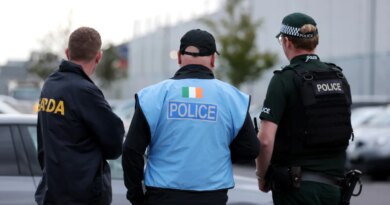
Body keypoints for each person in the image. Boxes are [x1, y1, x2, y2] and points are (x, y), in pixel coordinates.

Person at [122, 28, 260, 205]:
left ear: (179, 57)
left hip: (162, 195)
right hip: (211, 196)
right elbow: (250, 149)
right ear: (213, 59)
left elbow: (131, 151)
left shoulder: (153, 96)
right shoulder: (232, 98)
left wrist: (136, 196)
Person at [255, 13, 353, 205]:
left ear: (287, 41)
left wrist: (262, 177)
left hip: (296, 190)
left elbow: (265, 140)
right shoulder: (338, 77)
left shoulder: (284, 79)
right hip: (335, 188)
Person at [35, 27, 125, 205]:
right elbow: (114, 142)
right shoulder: (85, 91)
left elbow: (43, 144)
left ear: (67, 52)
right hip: (82, 196)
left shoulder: (50, 85)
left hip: (51, 193)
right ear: (98, 57)